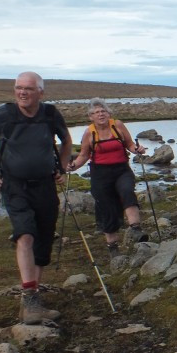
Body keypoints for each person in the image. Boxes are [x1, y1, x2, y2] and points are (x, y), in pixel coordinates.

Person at [0, 72, 72, 323]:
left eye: (28, 89)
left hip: (45, 186)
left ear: (40, 92)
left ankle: (31, 300)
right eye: (18, 88)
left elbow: (66, 141)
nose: (22, 92)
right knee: (26, 234)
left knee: (43, 240)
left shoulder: (50, 114)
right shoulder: (3, 114)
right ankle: (30, 300)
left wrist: (62, 168)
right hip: (14, 186)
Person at [68, 99, 149, 255]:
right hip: (100, 174)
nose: (101, 114)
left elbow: (129, 144)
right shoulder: (89, 132)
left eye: (103, 111)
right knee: (107, 207)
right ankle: (112, 246)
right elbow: (84, 155)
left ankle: (136, 229)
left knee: (127, 191)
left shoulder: (117, 125)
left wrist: (137, 149)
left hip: (121, 169)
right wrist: (73, 166)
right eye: (96, 112)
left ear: (108, 113)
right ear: (91, 117)